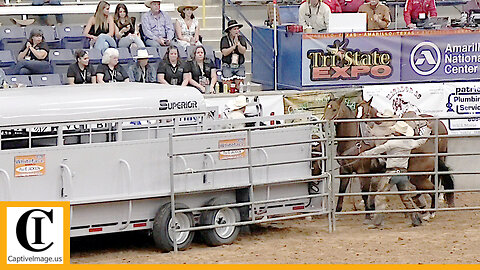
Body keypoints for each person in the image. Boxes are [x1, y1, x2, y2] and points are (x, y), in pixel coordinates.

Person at [359, 121, 431, 228]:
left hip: (391, 174)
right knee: (406, 197)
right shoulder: (410, 143)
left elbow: (380, 149)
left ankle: (377, 222)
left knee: (380, 195)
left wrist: (365, 154)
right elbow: (421, 141)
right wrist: (428, 130)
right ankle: (416, 220)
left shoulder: (392, 143)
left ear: (398, 133)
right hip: (403, 173)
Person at [220, 20, 247, 92]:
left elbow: (243, 51)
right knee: (227, 85)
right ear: (230, 30)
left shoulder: (241, 38)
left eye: (238, 29)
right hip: (228, 65)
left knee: (240, 85)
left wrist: (238, 44)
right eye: (234, 29)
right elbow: (224, 52)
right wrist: (233, 47)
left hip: (239, 64)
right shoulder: (224, 39)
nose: (237, 31)